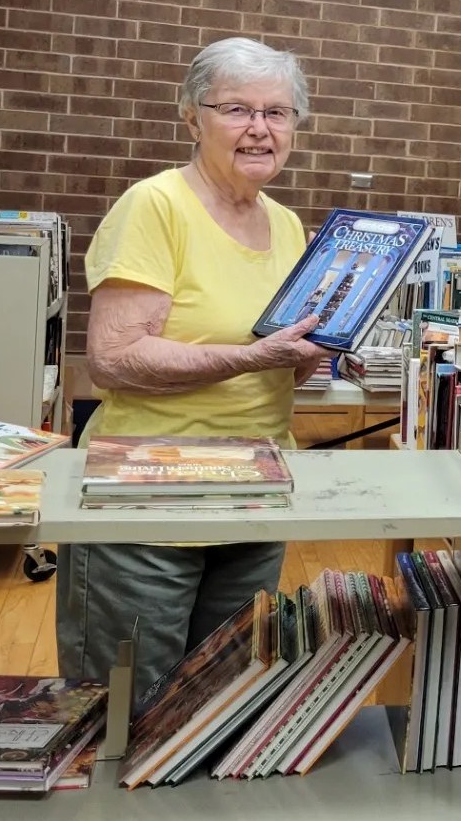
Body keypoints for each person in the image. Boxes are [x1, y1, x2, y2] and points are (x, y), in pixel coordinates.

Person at [56, 37, 329, 698]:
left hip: (255, 495)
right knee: (124, 709)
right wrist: (253, 355)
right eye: (236, 108)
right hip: (146, 502)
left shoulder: (289, 225)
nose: (260, 128)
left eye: (278, 112)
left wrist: (304, 357)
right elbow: (115, 359)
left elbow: (276, 374)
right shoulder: (155, 206)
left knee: (217, 702)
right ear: (192, 118)